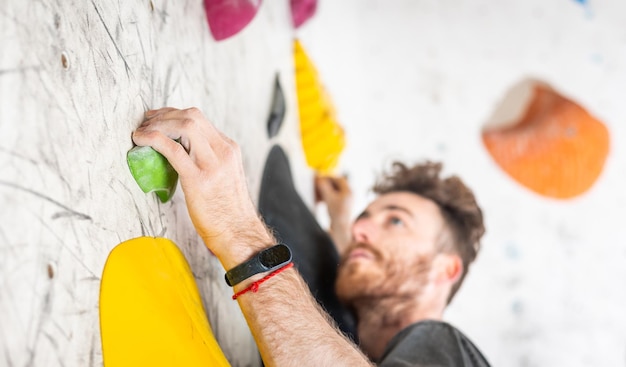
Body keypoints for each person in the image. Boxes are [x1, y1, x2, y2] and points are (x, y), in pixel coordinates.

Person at [132, 107, 491, 366]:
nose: (361, 229)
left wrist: (237, 228)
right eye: (364, 219)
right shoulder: (344, 328)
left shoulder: (448, 351)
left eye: (396, 222)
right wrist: (339, 216)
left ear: (445, 270)